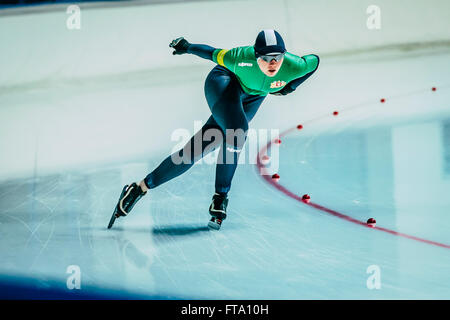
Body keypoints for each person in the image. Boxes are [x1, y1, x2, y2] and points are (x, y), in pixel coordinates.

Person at [108, 29, 319, 230]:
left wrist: (291, 87)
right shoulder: (239, 57)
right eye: (265, 58)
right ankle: (220, 197)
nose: (272, 63)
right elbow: (211, 53)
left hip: (253, 96)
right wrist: (187, 46)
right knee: (237, 131)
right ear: (256, 56)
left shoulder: (295, 65)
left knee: (195, 151)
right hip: (223, 83)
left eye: (277, 57)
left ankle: (139, 188)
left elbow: (315, 62)